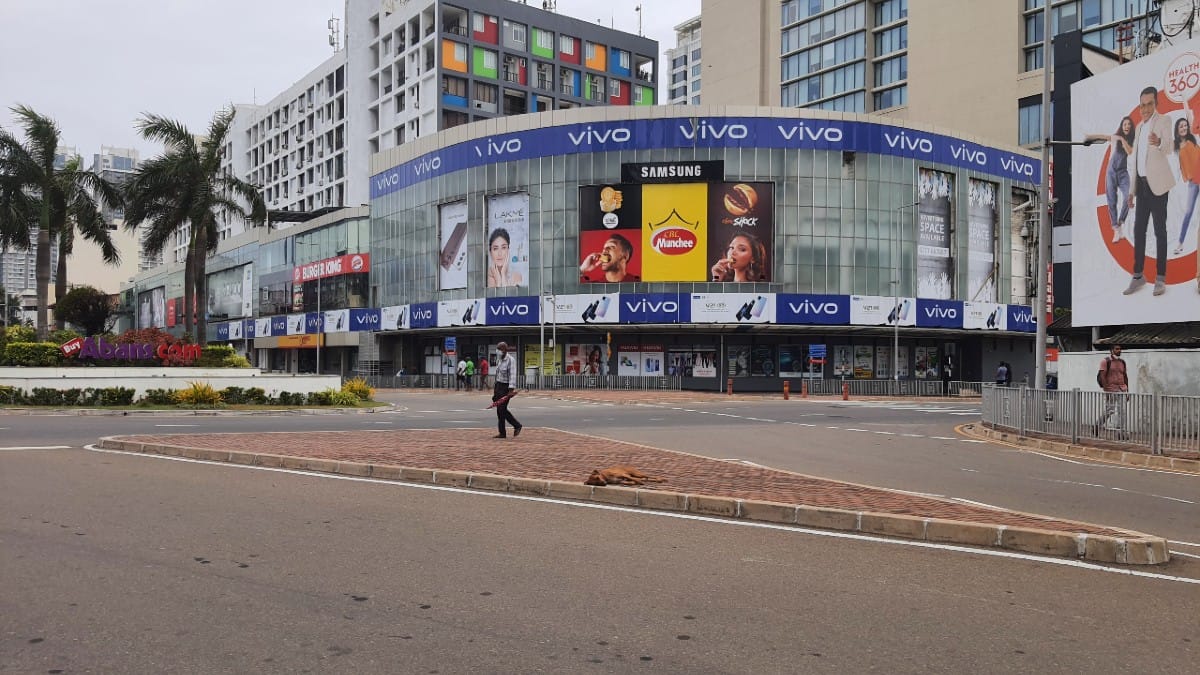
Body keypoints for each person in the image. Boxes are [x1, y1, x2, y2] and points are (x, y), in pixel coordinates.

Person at [1125, 85, 1175, 297]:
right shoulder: (1138, 128)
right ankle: (1138, 276)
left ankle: (1160, 278)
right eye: (1142, 105)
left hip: (1159, 185)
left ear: (1156, 104)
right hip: (1142, 186)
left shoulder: (1163, 120)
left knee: (1159, 230)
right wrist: (1131, 191)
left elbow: (1170, 147)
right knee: (1138, 230)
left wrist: (1159, 141)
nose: (1145, 109)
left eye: (1149, 104)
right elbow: (1135, 161)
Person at [1085, 116, 1136, 243]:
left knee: (1128, 196)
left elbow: (1130, 152)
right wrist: (1090, 137)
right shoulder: (1114, 138)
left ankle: (1120, 222)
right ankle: (1116, 229)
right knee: (1111, 200)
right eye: (1125, 124)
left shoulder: (1131, 141)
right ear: (1121, 126)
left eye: (1129, 125)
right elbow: (1102, 136)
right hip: (1111, 172)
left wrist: (1123, 140)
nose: (1127, 126)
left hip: (1123, 173)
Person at [1174, 113, 1200, 256]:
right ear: (1177, 130)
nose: (1184, 127)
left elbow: (1188, 114)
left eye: (1185, 125)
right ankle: (1180, 243)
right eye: (1181, 126)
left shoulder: (1192, 138)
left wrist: (1183, 97)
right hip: (1193, 182)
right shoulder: (1176, 145)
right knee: (1188, 212)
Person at [1095, 344, 1129, 434]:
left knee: (1123, 411)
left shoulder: (1122, 362)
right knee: (1110, 410)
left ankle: (1120, 431)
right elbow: (1102, 376)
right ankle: (1097, 425)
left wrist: (1127, 391)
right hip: (1111, 389)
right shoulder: (1105, 361)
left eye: (1120, 349)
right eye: (1117, 349)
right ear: (1111, 350)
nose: (1119, 350)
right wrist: (1106, 391)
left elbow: (1125, 376)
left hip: (1122, 389)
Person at [492, 341, 522, 439]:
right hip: (498, 385)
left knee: (501, 409)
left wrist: (510, 390)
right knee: (500, 410)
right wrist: (495, 388)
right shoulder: (499, 359)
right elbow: (498, 373)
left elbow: (512, 375)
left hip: (506, 387)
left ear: (505, 350)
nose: (498, 351)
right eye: (497, 349)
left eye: (499, 349)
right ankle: (503, 432)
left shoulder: (510, 360)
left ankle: (516, 425)